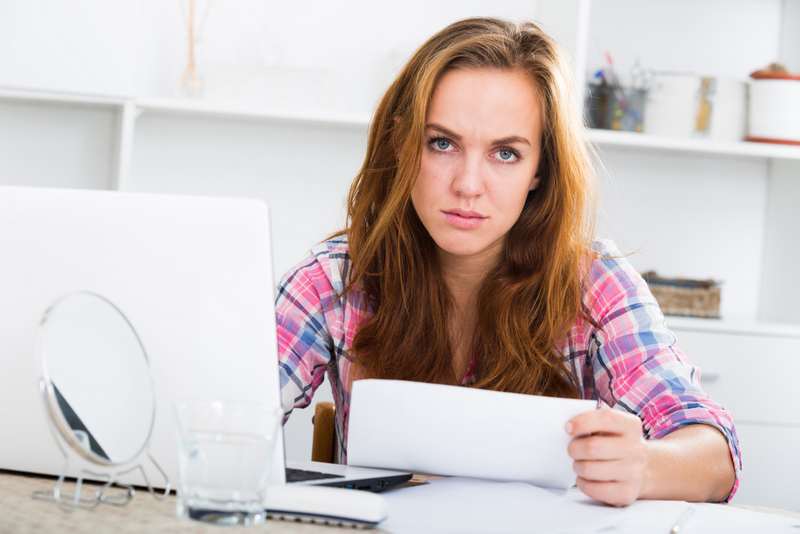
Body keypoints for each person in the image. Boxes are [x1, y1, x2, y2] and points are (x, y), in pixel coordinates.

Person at [275, 17, 740, 506]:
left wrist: (644, 466)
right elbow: (223, 412)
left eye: (505, 153)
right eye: (442, 143)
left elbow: (714, 456)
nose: (468, 184)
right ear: (401, 143)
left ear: (540, 169)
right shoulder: (336, 277)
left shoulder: (593, 284)